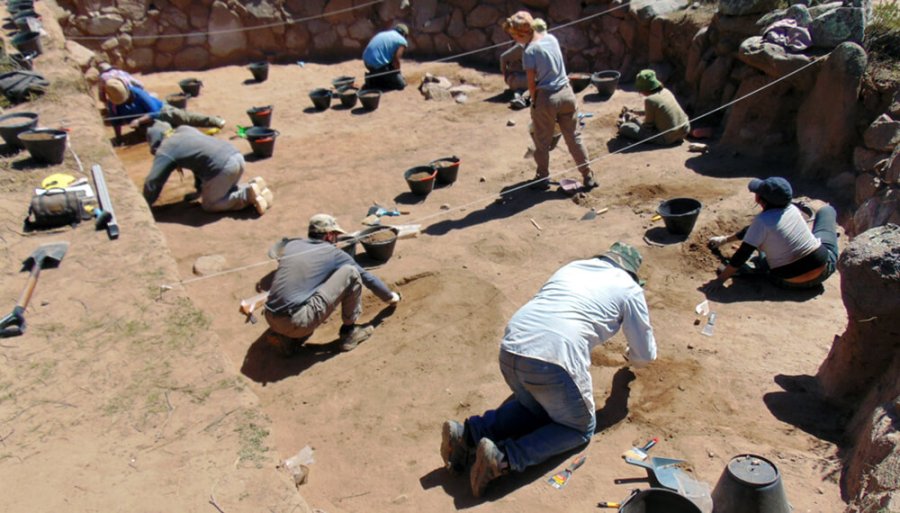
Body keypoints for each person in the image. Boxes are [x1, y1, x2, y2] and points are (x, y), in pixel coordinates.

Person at [441, 242, 657, 497]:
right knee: (578, 428)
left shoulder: (575, 267)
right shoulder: (629, 290)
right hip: (552, 358)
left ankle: (468, 433)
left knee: (537, 407)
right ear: (632, 273)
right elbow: (644, 354)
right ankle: (503, 460)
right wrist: (630, 362)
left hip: (512, 346)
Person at [264, 215, 402, 354]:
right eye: (336, 235)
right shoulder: (334, 254)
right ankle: (349, 333)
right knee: (351, 272)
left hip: (271, 317)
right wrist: (390, 297)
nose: (336, 240)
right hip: (297, 322)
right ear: (329, 235)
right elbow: (366, 277)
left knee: (307, 285)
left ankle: (287, 339)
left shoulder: (292, 245)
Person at [504, 12, 596, 191]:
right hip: (567, 94)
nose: (514, 40)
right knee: (573, 137)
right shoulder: (552, 39)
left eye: (514, 36)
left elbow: (531, 82)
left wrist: (534, 101)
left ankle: (542, 177)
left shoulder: (529, 51)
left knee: (542, 141)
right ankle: (588, 175)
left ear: (520, 34)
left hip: (547, 97)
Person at [705, 177, 839, 290]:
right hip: (824, 270)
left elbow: (742, 254)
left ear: (760, 200)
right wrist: (724, 240)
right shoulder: (792, 209)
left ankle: (755, 268)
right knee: (827, 210)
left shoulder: (762, 222)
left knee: (763, 248)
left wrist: (720, 280)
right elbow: (751, 231)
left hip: (788, 282)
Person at [143, 121, 273, 214]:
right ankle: (254, 187)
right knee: (224, 190)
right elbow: (199, 159)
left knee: (210, 205)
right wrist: (199, 190)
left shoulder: (166, 148)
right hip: (236, 156)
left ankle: (245, 195)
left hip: (221, 168)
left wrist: (144, 206)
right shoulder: (185, 129)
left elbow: (154, 181)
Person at [103, 78, 225, 145]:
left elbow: (155, 112)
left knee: (184, 118)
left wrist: (138, 120)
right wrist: (118, 138)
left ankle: (214, 120)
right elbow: (116, 122)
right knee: (162, 135)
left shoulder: (137, 93)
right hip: (146, 124)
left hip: (162, 111)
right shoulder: (113, 103)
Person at [617, 69, 690, 145]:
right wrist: (636, 112)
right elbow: (659, 110)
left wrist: (634, 120)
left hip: (668, 138)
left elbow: (647, 128)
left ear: (644, 89)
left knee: (625, 128)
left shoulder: (650, 100)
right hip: (684, 130)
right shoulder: (666, 91)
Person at [362, 23, 409, 91]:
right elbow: (396, 60)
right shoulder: (402, 40)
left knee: (388, 67)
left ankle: (374, 76)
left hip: (366, 62)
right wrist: (397, 73)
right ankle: (373, 81)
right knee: (401, 84)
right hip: (378, 65)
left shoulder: (383, 34)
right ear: (405, 34)